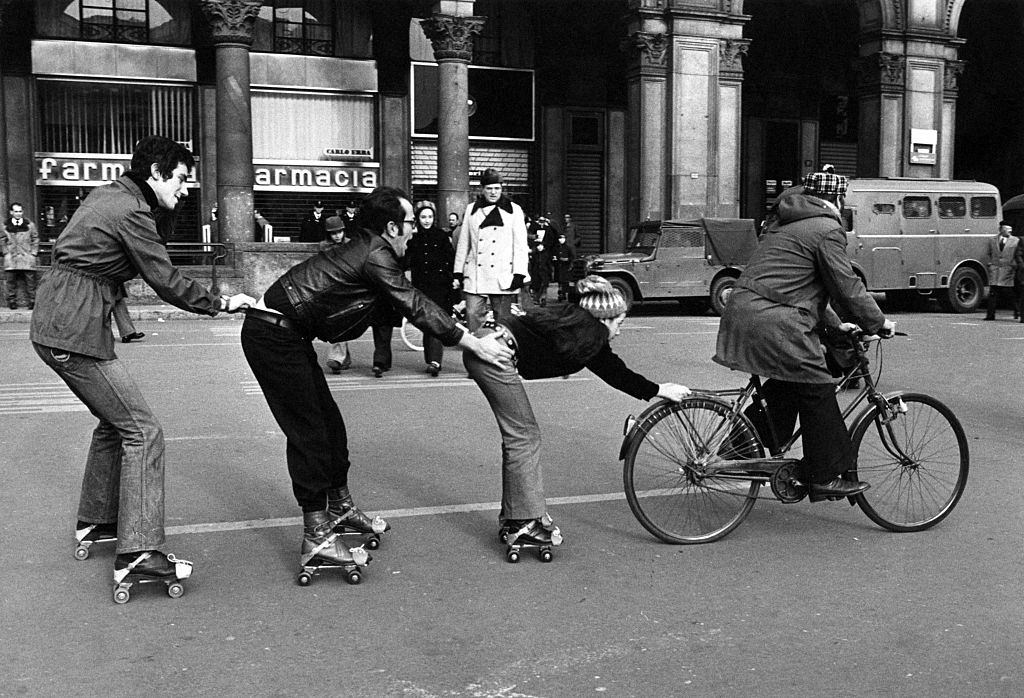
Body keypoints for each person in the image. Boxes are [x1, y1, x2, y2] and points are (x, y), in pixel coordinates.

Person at [240, 186, 513, 576]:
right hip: (271, 335)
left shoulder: (370, 248)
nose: (412, 232)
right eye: (407, 224)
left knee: (331, 426)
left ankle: (339, 507)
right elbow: (413, 304)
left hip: (287, 334)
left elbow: (414, 298)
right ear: (391, 226)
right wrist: (472, 342)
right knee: (310, 433)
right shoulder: (375, 253)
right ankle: (316, 535)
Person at [30, 135, 254, 593]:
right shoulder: (131, 210)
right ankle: (139, 553)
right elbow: (164, 277)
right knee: (142, 430)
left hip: (63, 321)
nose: (186, 188)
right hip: (74, 328)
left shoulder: (113, 195)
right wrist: (223, 302)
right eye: (180, 178)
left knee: (113, 424)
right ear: (155, 173)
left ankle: (97, 522)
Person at [464, 275, 690, 556]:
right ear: (605, 318)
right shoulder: (590, 333)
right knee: (524, 436)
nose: (619, 331)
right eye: (619, 323)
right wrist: (659, 389)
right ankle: (525, 521)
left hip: (488, 342)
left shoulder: (576, 321)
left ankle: (516, 517)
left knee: (519, 436)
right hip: (494, 353)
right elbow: (615, 372)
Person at [714, 170, 895, 503]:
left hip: (748, 312)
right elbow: (846, 286)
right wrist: (878, 321)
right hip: (774, 320)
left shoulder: (785, 224)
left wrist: (836, 325)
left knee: (789, 383)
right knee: (817, 387)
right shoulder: (827, 229)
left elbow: (799, 285)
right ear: (838, 199)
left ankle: (740, 448)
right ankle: (824, 476)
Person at [453, 168, 530, 331]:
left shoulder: (514, 210)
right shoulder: (471, 209)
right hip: (476, 274)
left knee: (503, 322)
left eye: (497, 188)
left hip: (503, 274)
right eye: (489, 188)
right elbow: (463, 243)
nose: (493, 192)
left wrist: (519, 272)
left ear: (502, 189)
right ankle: (476, 352)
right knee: (472, 314)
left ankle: (503, 354)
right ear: (482, 189)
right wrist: (458, 272)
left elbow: (521, 245)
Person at [405, 200, 455, 376]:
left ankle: (435, 361)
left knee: (434, 323)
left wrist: (454, 279)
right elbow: (406, 261)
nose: (427, 220)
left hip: (440, 286)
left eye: (430, 216)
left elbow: (450, 259)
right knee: (427, 324)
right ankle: (431, 359)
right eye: (423, 217)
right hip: (421, 287)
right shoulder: (413, 238)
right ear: (418, 218)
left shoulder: (441, 236)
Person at [320, 216, 352, 372]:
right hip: (332, 287)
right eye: (333, 233)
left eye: (339, 232)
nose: (337, 236)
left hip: (348, 287)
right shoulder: (324, 247)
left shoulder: (351, 244)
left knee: (343, 322)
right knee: (336, 322)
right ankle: (340, 358)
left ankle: (339, 358)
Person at [2, 202, 39, 309]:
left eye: (20, 211)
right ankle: (12, 301)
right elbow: (2, 239)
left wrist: (33, 253)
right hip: (11, 257)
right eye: (16, 211)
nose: (18, 214)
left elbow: (35, 238)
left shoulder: (30, 225)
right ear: (11, 212)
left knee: (31, 281)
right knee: (10, 281)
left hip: (26, 256)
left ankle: (33, 301)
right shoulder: (5, 226)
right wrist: (5, 252)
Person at [984, 221, 1018, 321]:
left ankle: (1017, 310)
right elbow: (988, 253)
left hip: (1008, 270)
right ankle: (990, 315)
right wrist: (990, 264)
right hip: (995, 269)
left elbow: (1017, 254)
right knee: (993, 292)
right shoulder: (992, 240)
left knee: (1009, 292)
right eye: (1007, 229)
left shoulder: (1015, 241)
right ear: (1001, 229)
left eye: (1010, 229)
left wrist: (1014, 265)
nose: (1009, 231)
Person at [528, 222, 552, 306]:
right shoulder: (535, 252)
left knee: (544, 283)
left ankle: (542, 298)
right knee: (536, 283)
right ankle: (537, 297)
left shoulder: (549, 230)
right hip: (536, 268)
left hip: (544, 269)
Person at [552, 231, 576, 301]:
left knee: (565, 281)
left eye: (562, 238)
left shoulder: (568, 247)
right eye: (560, 238)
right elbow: (553, 256)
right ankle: (560, 293)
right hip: (558, 266)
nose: (561, 239)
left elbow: (572, 257)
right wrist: (555, 259)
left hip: (566, 267)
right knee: (559, 280)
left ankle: (564, 293)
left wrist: (567, 259)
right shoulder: (556, 248)